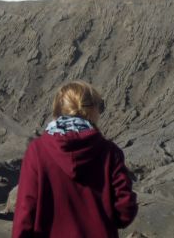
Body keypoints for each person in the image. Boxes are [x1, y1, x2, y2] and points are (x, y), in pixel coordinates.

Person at [12, 81, 138, 237]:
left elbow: (26, 209)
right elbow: (124, 210)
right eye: (100, 107)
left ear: (58, 109)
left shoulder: (37, 151)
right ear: (91, 110)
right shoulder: (109, 152)